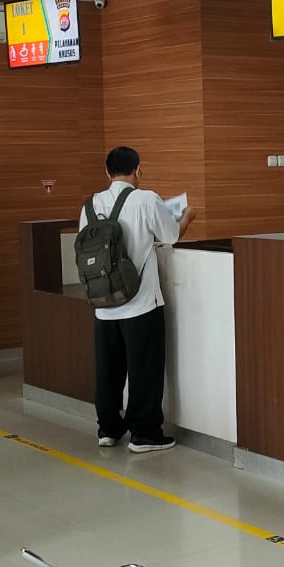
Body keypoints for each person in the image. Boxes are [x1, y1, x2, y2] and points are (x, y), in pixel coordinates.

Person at [80, 146, 193, 453]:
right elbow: (171, 235)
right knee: (144, 369)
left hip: (104, 305)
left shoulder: (89, 205)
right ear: (138, 170)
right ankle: (144, 434)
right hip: (140, 303)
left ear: (107, 172)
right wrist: (186, 217)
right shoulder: (146, 199)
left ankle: (108, 429)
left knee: (108, 371)